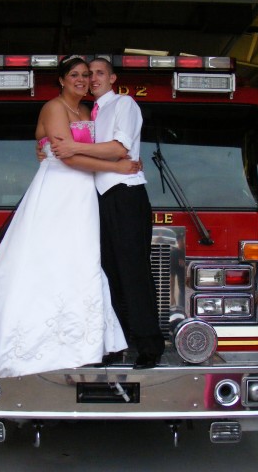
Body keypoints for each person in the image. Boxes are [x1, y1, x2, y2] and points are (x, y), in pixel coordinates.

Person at [0, 56, 138, 378]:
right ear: (61, 80)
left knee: (81, 262)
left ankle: (83, 344)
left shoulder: (88, 111)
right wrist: (117, 167)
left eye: (86, 75)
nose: (81, 79)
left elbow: (62, 143)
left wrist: (43, 142)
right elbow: (70, 159)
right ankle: (37, 340)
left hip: (83, 195)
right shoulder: (54, 107)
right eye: (74, 75)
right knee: (47, 261)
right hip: (60, 190)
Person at [50, 57, 165, 369]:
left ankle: (149, 347)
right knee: (106, 276)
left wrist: (73, 148)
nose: (93, 78)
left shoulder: (124, 105)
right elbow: (57, 140)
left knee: (134, 273)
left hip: (126, 195)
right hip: (98, 198)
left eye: (99, 73)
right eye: (89, 74)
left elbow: (118, 149)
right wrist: (47, 145)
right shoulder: (89, 113)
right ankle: (113, 345)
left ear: (113, 78)